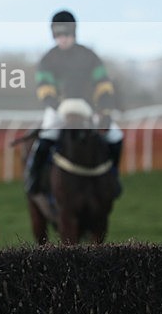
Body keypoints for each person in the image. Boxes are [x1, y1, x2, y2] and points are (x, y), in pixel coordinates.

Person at [26, 10, 124, 196]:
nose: (62, 39)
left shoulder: (89, 56)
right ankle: (34, 180)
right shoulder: (48, 59)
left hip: (89, 110)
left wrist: (104, 111)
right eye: (58, 35)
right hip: (58, 110)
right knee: (45, 139)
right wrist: (58, 107)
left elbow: (103, 84)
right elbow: (45, 88)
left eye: (66, 34)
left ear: (73, 33)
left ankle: (113, 177)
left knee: (116, 137)